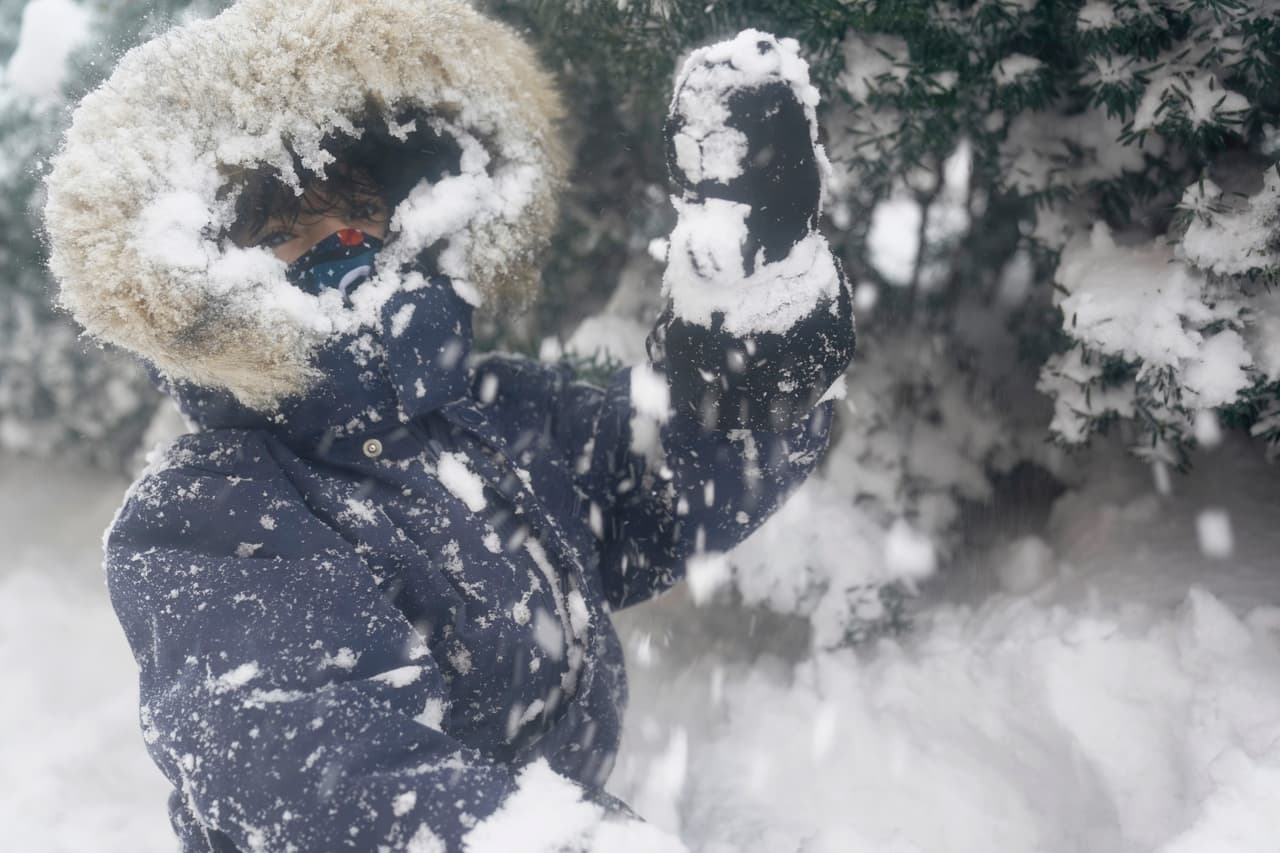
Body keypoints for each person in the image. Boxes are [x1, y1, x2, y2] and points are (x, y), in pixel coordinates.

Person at [42, 1, 854, 850]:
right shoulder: (211, 513)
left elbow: (656, 491)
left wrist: (749, 340)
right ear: (202, 268)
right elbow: (319, 774)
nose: (344, 240)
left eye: (361, 208)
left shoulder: (494, 410)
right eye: (286, 228)